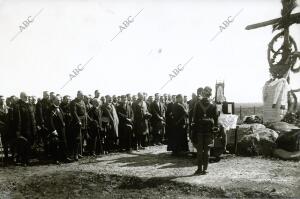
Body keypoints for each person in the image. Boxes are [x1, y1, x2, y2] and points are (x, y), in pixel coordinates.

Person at [192, 86, 218, 175]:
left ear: (203, 94)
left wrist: (193, 131)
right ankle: (205, 169)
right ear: (210, 95)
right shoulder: (213, 104)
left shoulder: (198, 104)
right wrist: (215, 129)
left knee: (199, 150)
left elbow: (194, 118)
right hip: (209, 130)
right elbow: (216, 118)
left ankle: (199, 169)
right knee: (207, 150)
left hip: (199, 129)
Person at [14, 92, 36, 166]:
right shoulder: (18, 105)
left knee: (29, 145)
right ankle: (23, 161)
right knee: (23, 145)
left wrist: (34, 128)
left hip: (30, 128)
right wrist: (18, 130)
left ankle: (27, 160)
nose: (27, 97)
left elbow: (33, 118)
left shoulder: (29, 105)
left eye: (27, 96)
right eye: (25, 96)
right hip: (23, 129)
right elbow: (18, 119)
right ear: (21, 97)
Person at [49, 96, 71, 163]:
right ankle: (56, 159)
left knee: (63, 143)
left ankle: (64, 157)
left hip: (62, 129)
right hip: (56, 130)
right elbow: (50, 120)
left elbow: (62, 117)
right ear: (54, 101)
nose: (59, 101)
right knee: (55, 145)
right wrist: (53, 130)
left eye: (60, 100)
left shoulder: (60, 108)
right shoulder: (51, 109)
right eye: (58, 100)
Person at [70, 91, 87, 160]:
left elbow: (85, 112)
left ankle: (79, 153)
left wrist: (85, 121)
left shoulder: (82, 102)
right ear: (78, 95)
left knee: (81, 138)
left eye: (83, 95)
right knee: (76, 139)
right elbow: (74, 112)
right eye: (81, 95)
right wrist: (78, 121)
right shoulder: (73, 102)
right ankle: (75, 154)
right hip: (76, 122)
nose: (83, 97)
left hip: (83, 121)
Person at [36, 91, 51, 158]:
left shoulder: (50, 102)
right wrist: (42, 123)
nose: (48, 96)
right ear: (44, 95)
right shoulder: (40, 103)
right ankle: (46, 153)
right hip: (44, 123)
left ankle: (49, 152)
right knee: (45, 139)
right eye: (46, 95)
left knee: (49, 138)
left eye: (48, 95)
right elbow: (40, 114)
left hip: (50, 122)